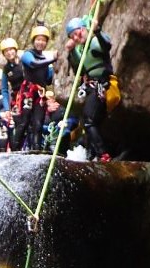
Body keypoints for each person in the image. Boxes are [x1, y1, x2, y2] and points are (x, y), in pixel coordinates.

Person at [64, 16, 114, 162]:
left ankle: (102, 154)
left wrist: (97, 30)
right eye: (73, 36)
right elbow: (79, 70)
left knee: (89, 120)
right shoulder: (83, 50)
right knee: (92, 122)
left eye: (77, 33)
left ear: (84, 29)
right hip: (92, 88)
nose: (76, 37)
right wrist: (72, 51)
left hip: (101, 85)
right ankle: (92, 154)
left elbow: (106, 45)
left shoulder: (94, 42)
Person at [13, 24, 58, 152]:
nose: (40, 42)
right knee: (24, 122)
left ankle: (36, 149)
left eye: (43, 40)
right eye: (38, 39)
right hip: (28, 92)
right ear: (33, 41)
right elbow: (33, 64)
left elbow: (48, 80)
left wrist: (51, 69)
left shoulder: (45, 58)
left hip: (40, 93)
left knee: (38, 123)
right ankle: (16, 149)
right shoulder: (27, 54)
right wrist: (52, 60)